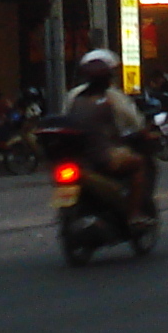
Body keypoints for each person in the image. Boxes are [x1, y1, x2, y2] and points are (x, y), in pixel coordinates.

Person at [62, 46, 154, 219]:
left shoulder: (74, 96)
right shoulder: (112, 97)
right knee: (139, 164)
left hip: (77, 154)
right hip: (103, 154)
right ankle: (133, 215)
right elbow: (135, 122)